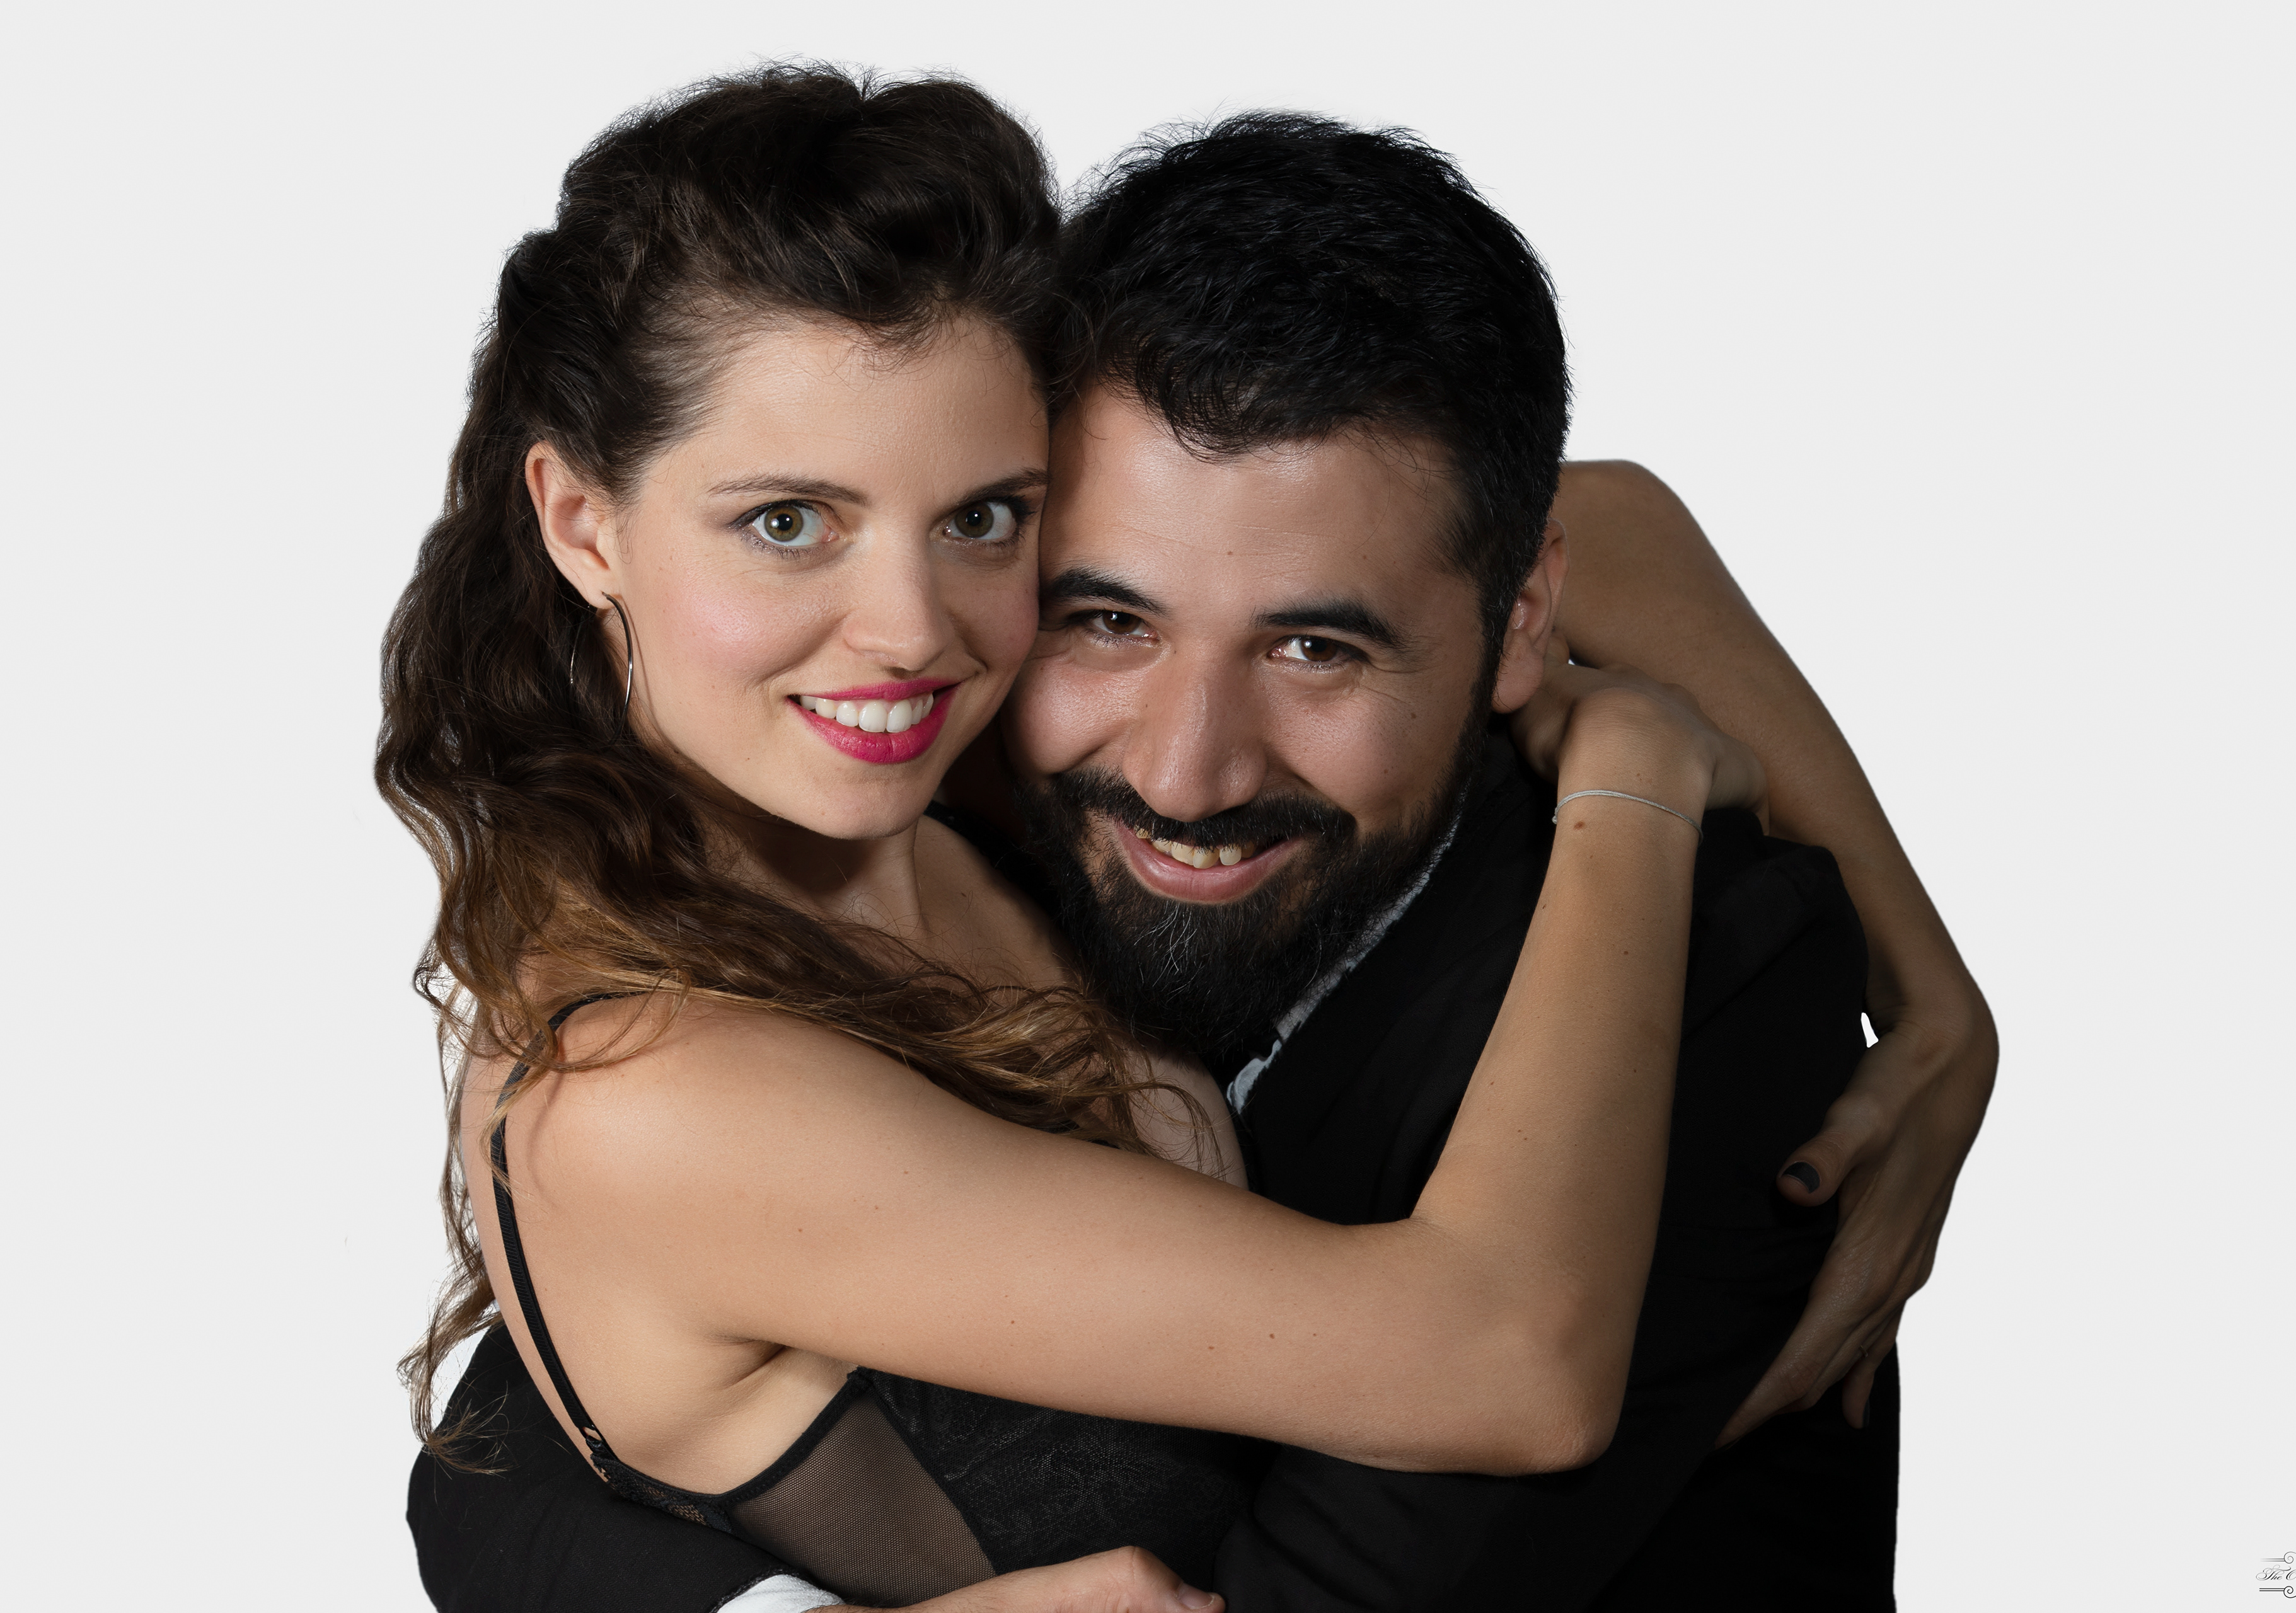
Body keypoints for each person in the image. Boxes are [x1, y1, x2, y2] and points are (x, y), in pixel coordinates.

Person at [405, 81, 1995, 1613]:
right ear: (582, 523)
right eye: (784, 522)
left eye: (983, 517)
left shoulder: (938, 776)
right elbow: (521, 1434)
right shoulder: (696, 1024)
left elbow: (1585, 514)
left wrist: (1932, 989)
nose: (908, 630)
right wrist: (1637, 768)